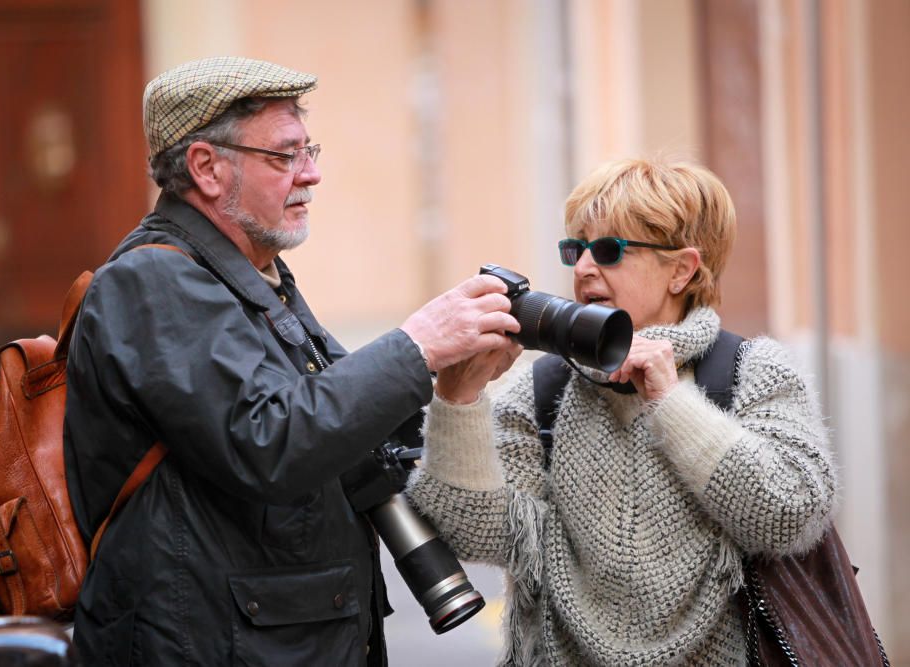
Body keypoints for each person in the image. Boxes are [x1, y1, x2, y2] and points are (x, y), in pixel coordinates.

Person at [62, 56, 519, 666]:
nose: (313, 175)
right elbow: (269, 440)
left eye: (311, 150)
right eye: (285, 156)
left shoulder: (249, 274)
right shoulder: (151, 282)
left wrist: (453, 387)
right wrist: (417, 345)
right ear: (206, 168)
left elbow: (344, 432)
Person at [405, 157, 837, 665]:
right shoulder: (544, 388)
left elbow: (787, 516)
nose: (584, 268)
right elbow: (475, 533)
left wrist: (670, 402)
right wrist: (459, 400)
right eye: (576, 249)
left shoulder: (751, 373)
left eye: (609, 250)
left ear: (682, 270)